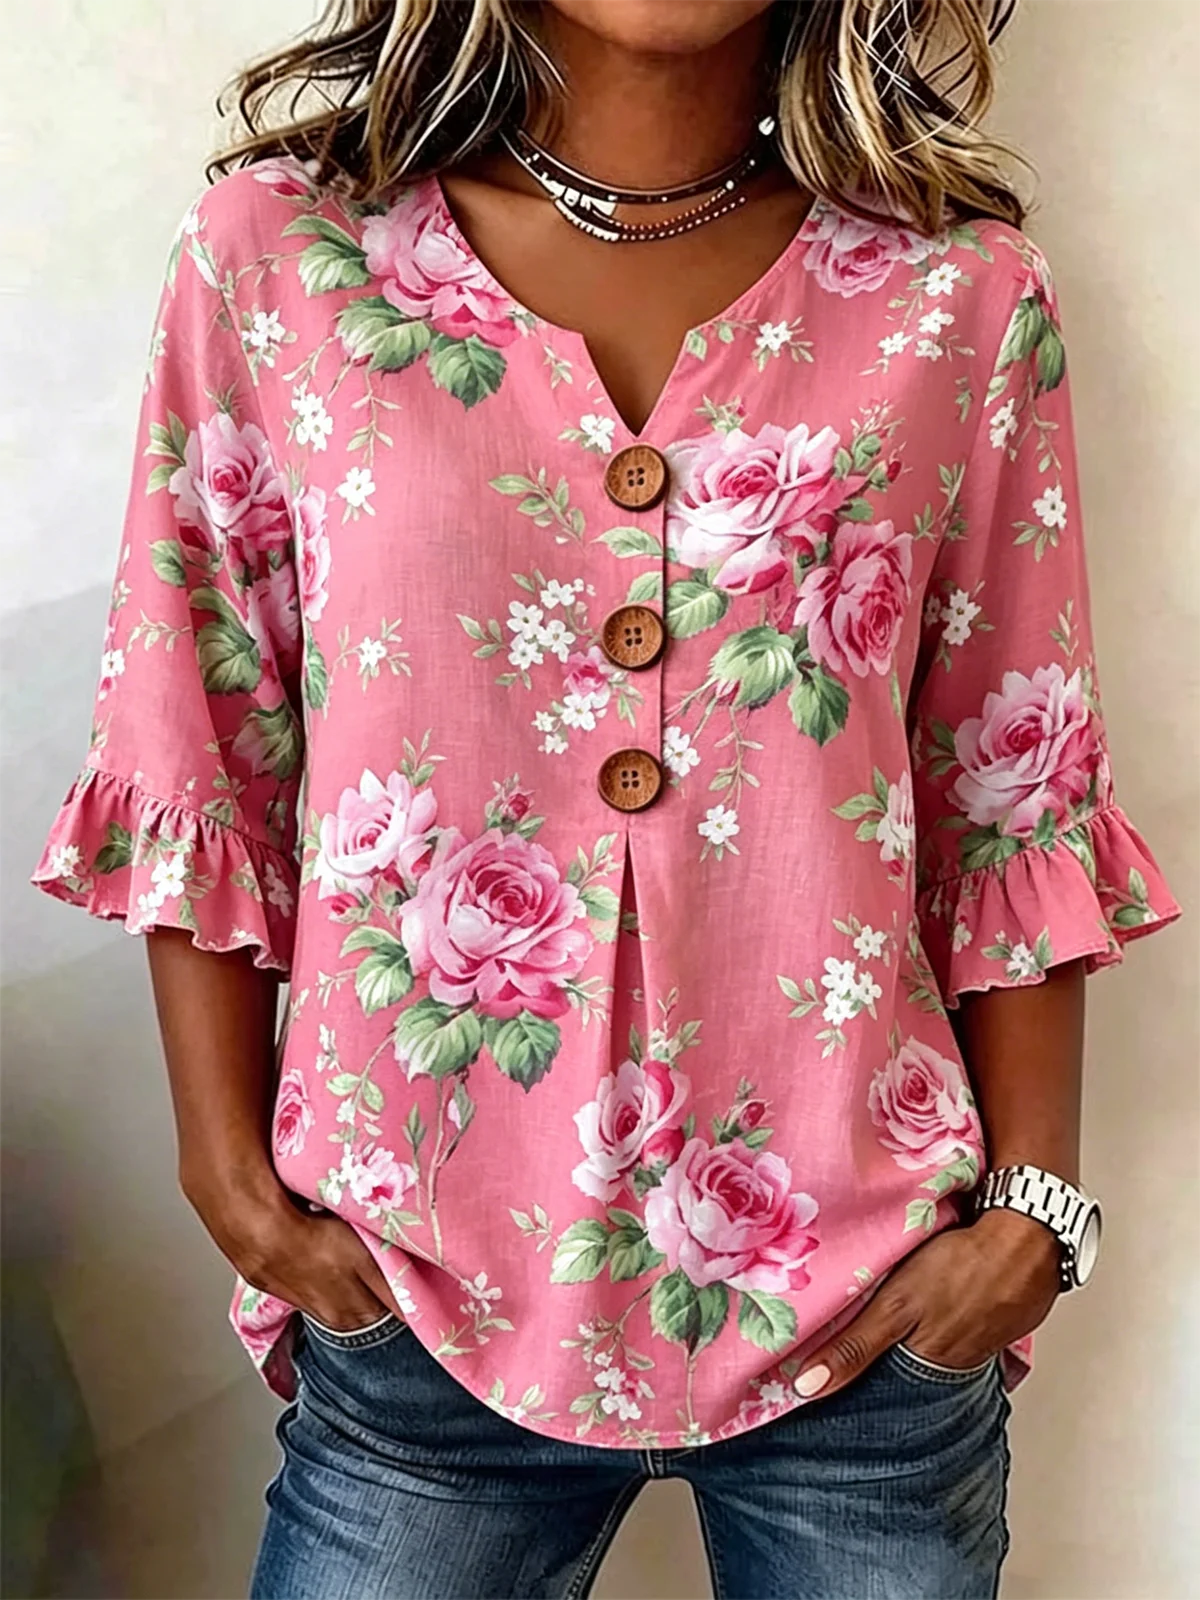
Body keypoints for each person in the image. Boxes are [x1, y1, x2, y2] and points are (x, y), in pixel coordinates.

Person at [32, 2, 1181, 1596]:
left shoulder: (957, 297)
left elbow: (1013, 770)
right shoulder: (282, 257)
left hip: (873, 1310)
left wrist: (1031, 1221)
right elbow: (202, 721)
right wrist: (228, 1177)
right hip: (415, 1300)